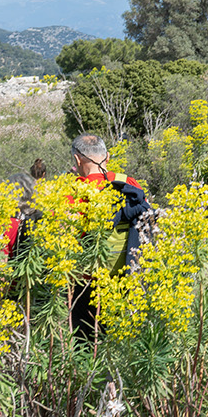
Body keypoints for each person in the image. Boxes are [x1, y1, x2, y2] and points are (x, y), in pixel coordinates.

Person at [68, 133, 151, 339]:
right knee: (121, 338)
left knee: (86, 343)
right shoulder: (129, 184)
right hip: (125, 276)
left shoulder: (73, 191)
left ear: (77, 160)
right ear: (108, 157)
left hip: (85, 282)